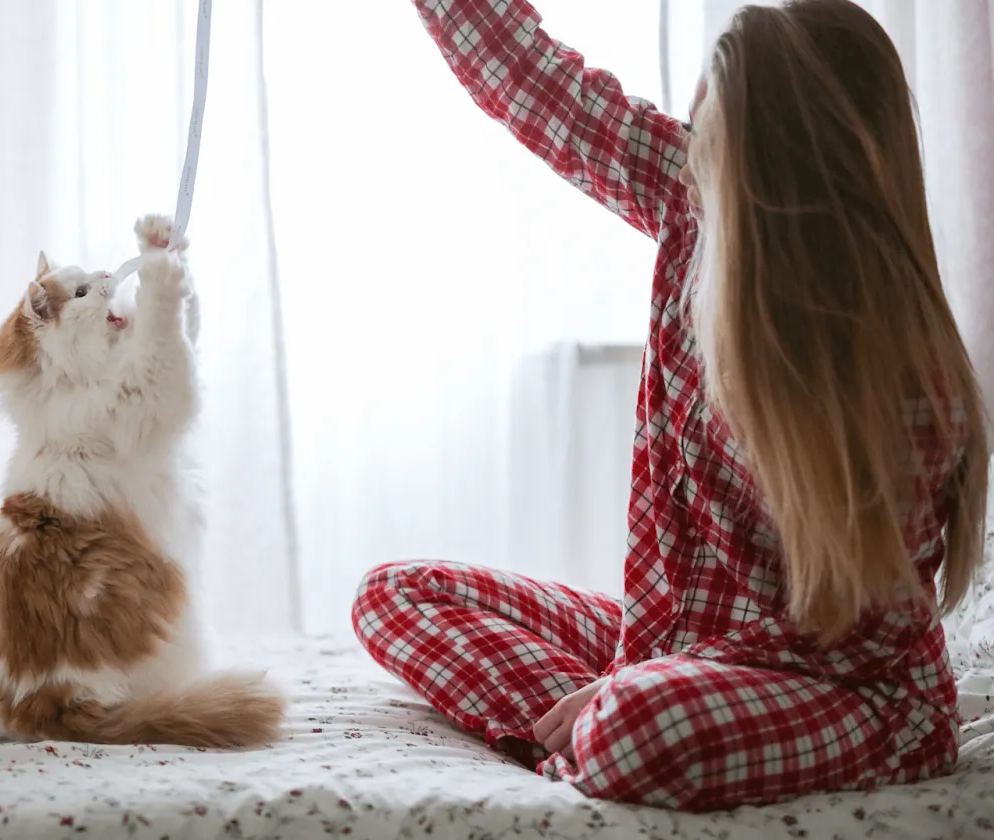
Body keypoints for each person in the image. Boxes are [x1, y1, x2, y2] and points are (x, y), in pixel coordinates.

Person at [352, 0, 989, 812]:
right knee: (396, 594)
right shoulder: (694, 206)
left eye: (713, 137)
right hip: (671, 650)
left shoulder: (906, 375)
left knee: (636, 729)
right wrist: (650, 671)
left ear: (784, 162)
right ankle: (593, 727)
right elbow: (532, 80)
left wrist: (649, 686)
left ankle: (608, 730)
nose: (693, 154)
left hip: (847, 689)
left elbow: (855, 633)